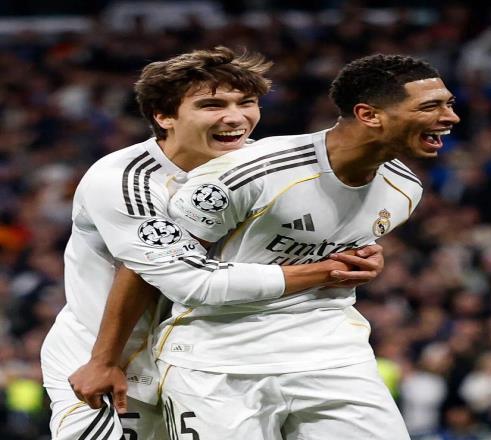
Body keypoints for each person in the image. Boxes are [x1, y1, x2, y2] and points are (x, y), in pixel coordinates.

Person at [43, 47, 382, 440]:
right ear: (163, 115)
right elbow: (163, 274)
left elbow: (314, 235)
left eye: (247, 103)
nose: (236, 118)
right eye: (212, 105)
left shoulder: (264, 167)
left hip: (206, 361)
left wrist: (359, 253)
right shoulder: (125, 181)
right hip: (110, 359)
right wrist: (103, 361)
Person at [150, 54, 460, 439]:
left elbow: (336, 253)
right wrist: (107, 359)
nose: (450, 117)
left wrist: (364, 263)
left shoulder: (405, 188)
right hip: (216, 359)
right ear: (368, 115)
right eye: (430, 107)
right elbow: (167, 270)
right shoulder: (252, 170)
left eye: (449, 104)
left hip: (332, 355)